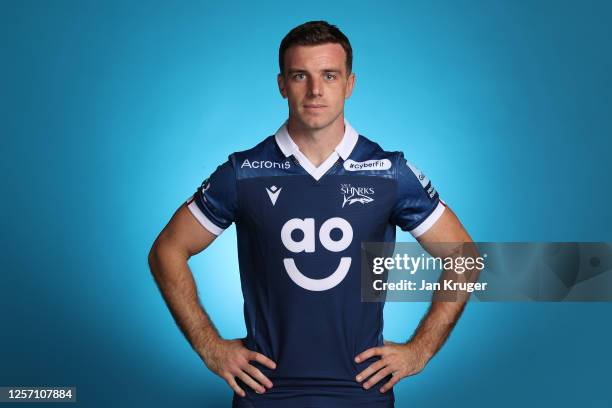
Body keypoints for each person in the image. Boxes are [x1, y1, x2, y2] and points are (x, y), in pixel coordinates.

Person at [148, 20, 474, 408]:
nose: (315, 90)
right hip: (265, 396)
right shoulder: (244, 173)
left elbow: (463, 257)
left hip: (362, 395)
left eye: (329, 75)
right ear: (282, 84)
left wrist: (419, 351)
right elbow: (167, 251)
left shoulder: (389, 173)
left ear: (349, 84)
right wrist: (211, 346)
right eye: (300, 75)